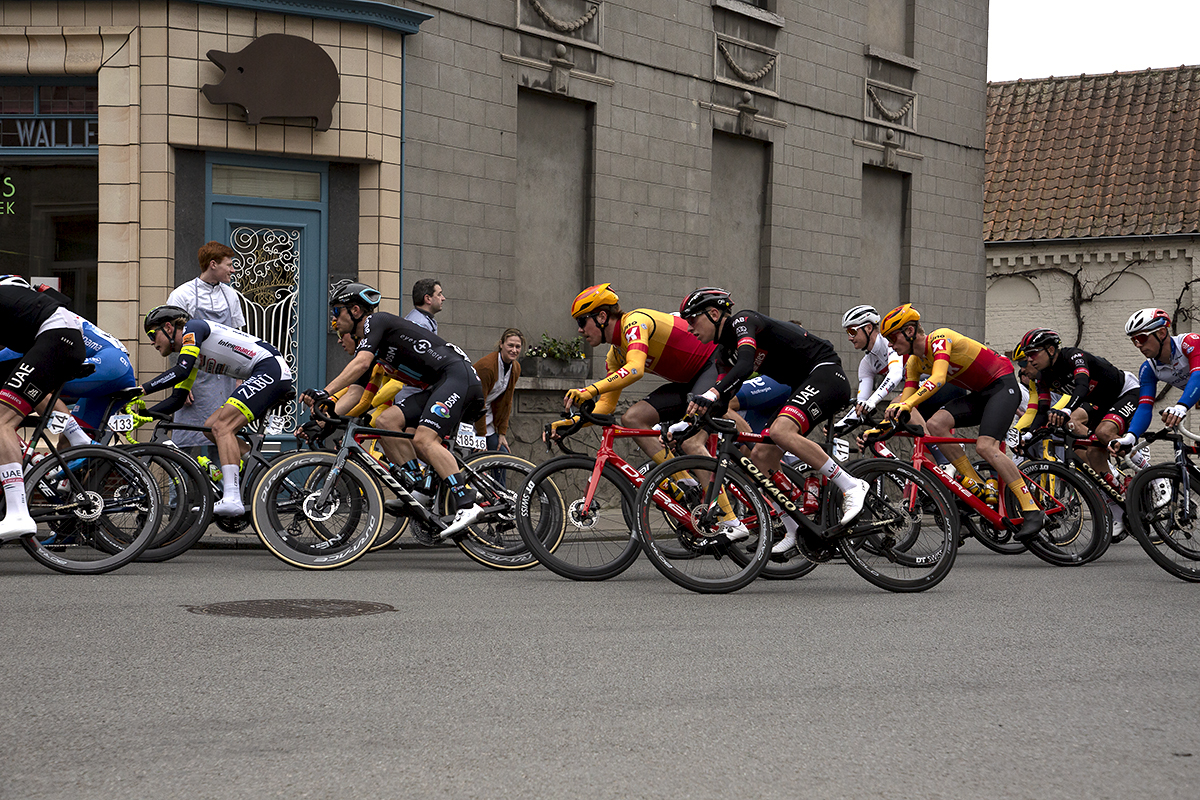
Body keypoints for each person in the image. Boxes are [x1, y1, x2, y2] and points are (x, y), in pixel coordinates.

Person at [680, 287, 868, 555]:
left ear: (713, 313)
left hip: (826, 373)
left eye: (692, 319)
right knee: (761, 456)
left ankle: (851, 485)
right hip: (802, 386)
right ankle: (794, 529)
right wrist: (689, 423)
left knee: (780, 430)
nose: (689, 328)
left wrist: (711, 393)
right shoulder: (723, 353)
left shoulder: (742, 321)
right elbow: (722, 400)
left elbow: (745, 365)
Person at [304, 281, 487, 539]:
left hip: (457, 378)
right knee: (385, 421)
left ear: (355, 310)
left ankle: (466, 502)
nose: (334, 321)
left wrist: (324, 392)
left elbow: (361, 362)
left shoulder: (375, 322)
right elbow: (356, 393)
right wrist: (323, 419)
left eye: (337, 312)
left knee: (424, 440)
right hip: (439, 385)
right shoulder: (372, 347)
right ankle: (420, 490)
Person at [879, 303, 1044, 540]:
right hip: (980, 394)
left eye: (893, 338)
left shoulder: (940, 338)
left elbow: (938, 378)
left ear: (910, 331)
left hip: (1002, 384)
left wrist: (906, 404)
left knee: (985, 446)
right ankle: (976, 485)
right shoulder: (914, 362)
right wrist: (885, 421)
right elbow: (906, 398)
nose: (892, 346)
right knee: (936, 425)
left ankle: (1032, 509)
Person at [139, 305, 293, 516]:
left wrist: (140, 390)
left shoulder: (193, 329)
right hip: (266, 372)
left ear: (168, 327)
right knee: (210, 427)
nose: (151, 341)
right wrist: (143, 415)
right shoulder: (193, 353)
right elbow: (176, 399)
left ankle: (231, 497)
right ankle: (259, 468)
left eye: (152, 333)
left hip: (269, 369)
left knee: (222, 427)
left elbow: (181, 370)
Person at [555, 283, 719, 464]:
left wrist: (589, 390)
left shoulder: (635, 321)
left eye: (581, 321)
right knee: (632, 418)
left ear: (602, 317)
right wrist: (570, 423)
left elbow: (635, 369)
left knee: (690, 442)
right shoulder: (615, 355)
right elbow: (606, 405)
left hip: (713, 365)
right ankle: (682, 484)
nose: (579, 330)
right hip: (688, 382)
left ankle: (720, 492)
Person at [1012, 328, 1142, 535]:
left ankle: (1146, 469)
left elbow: (1082, 385)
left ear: (1051, 349)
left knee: (1103, 432)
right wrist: (1027, 435)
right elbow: (1041, 411)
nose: (1029, 360)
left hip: (1123, 392)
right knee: (1088, 453)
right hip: (1099, 402)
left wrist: (1065, 409)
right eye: (1027, 356)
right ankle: (1118, 512)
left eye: (1033, 353)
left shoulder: (1073, 356)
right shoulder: (1042, 377)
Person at [0, 275, 86, 540]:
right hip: (60, 339)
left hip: (57, 338)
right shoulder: (16, 303)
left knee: (2, 421)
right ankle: (78, 437)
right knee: (14, 386)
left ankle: (17, 512)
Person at [0, 313, 138, 444]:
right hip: (117, 369)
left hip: (110, 363)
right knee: (66, 446)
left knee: (33, 386)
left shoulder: (35, 321)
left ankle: (77, 438)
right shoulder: (45, 313)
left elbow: (9, 355)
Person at [166, 241, 246, 453]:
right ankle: (182, 486)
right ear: (213, 264)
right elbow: (174, 342)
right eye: (229, 265)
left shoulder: (231, 295)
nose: (233, 269)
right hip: (195, 378)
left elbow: (239, 338)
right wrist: (182, 383)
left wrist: (239, 380)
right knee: (187, 442)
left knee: (222, 438)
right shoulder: (182, 295)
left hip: (226, 379)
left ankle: (222, 485)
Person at [1112, 308, 1200, 451]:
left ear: (1161, 333)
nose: (1138, 345)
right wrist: (1131, 436)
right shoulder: (1148, 369)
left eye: (1141, 338)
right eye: (1134, 340)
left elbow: (1198, 376)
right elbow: (1145, 407)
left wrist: (1180, 407)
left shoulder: (1189, 343)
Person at [832, 304, 903, 432]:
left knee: (896, 405)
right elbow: (861, 406)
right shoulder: (866, 364)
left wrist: (873, 401)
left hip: (928, 385)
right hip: (914, 393)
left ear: (868, 328)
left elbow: (896, 374)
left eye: (852, 331)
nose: (849, 338)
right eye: (848, 333)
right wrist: (837, 427)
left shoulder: (891, 344)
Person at [473, 328, 524, 452]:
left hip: (487, 419)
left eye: (518, 347)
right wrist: (481, 436)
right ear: (501, 344)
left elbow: (507, 401)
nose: (514, 350)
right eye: (510, 345)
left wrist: (502, 433)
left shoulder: (515, 368)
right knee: (475, 459)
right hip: (469, 417)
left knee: (502, 454)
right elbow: (478, 401)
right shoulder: (487, 367)